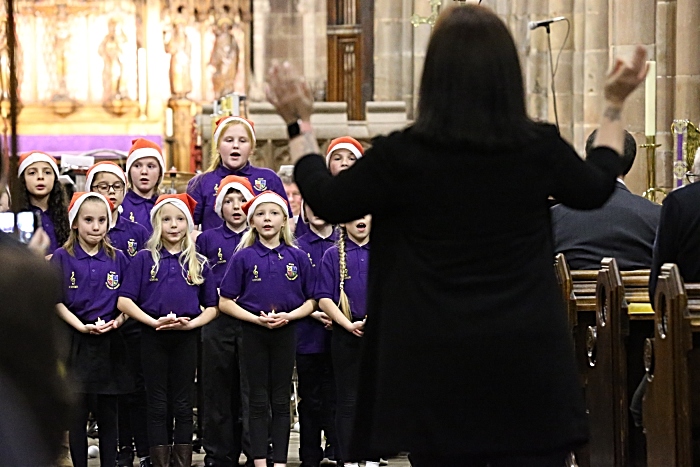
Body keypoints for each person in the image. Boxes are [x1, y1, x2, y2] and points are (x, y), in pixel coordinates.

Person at [264, 4, 648, 464]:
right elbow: (597, 184)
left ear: (434, 76)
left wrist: (297, 123)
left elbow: (326, 198)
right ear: (507, 73)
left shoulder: (404, 155)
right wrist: (612, 103)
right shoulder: (534, 148)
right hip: (521, 353)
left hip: (433, 358)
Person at [118, 193, 219, 467]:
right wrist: (151, 322)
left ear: (188, 224)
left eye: (179, 219)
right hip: (153, 337)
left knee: (184, 402)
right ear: (156, 224)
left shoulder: (199, 262)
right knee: (157, 402)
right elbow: (124, 300)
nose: (173, 225)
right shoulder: (143, 259)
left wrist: (193, 323)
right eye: (166, 220)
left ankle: (182, 461)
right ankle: (160, 461)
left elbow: (212, 306)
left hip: (187, 337)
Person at [218, 191, 316, 467]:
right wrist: (253, 318)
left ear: (285, 219)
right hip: (253, 334)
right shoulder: (244, 257)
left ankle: (281, 461)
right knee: (258, 399)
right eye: (261, 214)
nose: (267, 219)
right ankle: (260, 460)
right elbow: (225, 302)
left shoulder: (297, 257)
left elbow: (312, 300)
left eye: (273, 213)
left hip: (286, 332)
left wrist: (290, 316)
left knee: (281, 398)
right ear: (253, 222)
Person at [50, 192, 133, 467]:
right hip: (76, 342)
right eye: (88, 220)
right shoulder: (63, 257)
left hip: (110, 343)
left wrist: (118, 321)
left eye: (101, 220)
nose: (96, 226)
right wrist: (79, 325)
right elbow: (56, 300)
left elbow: (128, 300)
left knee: (109, 415)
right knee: (77, 415)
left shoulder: (118, 258)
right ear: (75, 223)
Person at [85, 161, 151, 467]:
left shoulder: (137, 230)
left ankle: (145, 449)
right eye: (103, 187)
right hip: (96, 325)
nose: (111, 193)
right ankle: (121, 451)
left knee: (138, 390)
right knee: (111, 396)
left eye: (116, 187)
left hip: (132, 322)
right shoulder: (89, 225)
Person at [196, 175, 254, 467]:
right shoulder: (207, 238)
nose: (236, 206)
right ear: (219, 206)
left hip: (249, 318)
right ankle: (219, 454)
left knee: (249, 389)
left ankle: (253, 451)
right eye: (228, 201)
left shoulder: (256, 236)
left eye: (241, 200)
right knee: (217, 389)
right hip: (217, 320)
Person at [551, 129, 661, 270]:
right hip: (639, 292)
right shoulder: (656, 216)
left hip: (573, 292)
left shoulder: (556, 217)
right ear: (630, 164)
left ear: (588, 158)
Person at [316, 215, 375, 467]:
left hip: (378, 335)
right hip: (345, 333)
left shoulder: (385, 253)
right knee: (348, 399)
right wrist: (347, 323)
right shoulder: (332, 255)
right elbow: (324, 298)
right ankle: (349, 459)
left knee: (375, 398)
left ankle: (373, 458)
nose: (360, 219)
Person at [187, 116, 291, 231]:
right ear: (217, 146)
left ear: (251, 148)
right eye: (229, 140)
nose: (235, 145)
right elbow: (190, 229)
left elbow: (288, 223)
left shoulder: (269, 178)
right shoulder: (201, 183)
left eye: (242, 141)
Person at [295, 202, 339, 467]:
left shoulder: (343, 243)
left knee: (335, 394)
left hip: (340, 332)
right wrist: (312, 311)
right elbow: (292, 287)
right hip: (308, 333)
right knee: (309, 397)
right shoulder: (296, 245)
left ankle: (336, 448)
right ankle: (309, 454)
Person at [17, 151, 70, 255]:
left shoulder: (68, 216)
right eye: (32, 173)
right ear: (23, 179)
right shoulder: (15, 217)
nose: (40, 177)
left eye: (47, 172)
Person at [121, 138, 166, 233]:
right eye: (137, 166)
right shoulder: (120, 205)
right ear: (129, 172)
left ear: (160, 172)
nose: (144, 172)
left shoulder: (166, 205)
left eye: (150, 166)